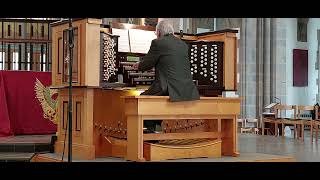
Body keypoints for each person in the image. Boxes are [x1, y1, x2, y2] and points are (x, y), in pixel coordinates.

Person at [133, 20, 200, 133]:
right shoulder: (183, 44)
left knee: (141, 99)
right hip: (186, 89)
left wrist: (137, 66)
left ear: (159, 32)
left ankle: (149, 134)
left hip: (169, 88)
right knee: (153, 99)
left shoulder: (158, 43)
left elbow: (147, 64)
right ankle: (155, 131)